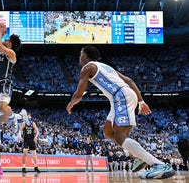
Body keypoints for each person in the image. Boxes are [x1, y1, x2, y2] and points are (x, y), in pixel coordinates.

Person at [66, 45, 175, 179]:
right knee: (107, 131)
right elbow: (129, 80)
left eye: (80, 54)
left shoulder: (87, 67)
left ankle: (159, 164)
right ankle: (139, 155)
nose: (79, 57)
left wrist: (71, 103)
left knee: (120, 136)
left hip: (120, 96)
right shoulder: (106, 67)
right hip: (121, 96)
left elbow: (79, 94)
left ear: (85, 55)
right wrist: (141, 101)